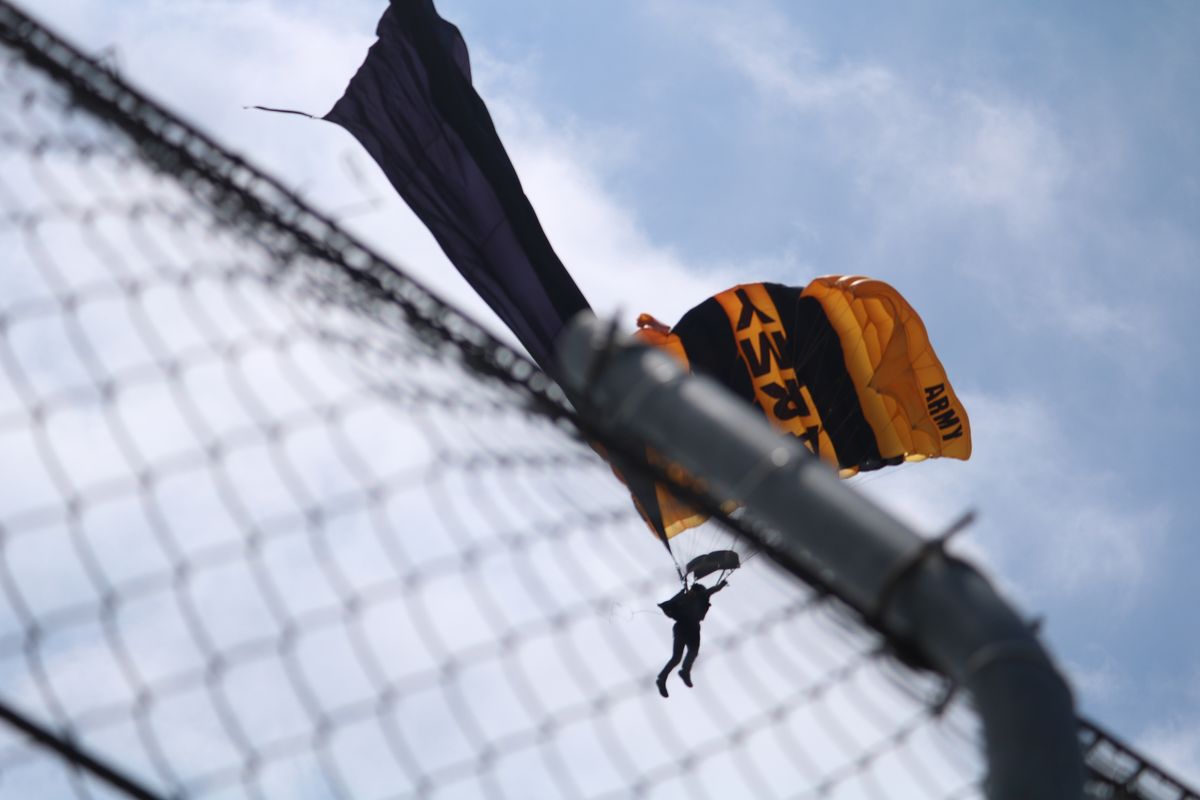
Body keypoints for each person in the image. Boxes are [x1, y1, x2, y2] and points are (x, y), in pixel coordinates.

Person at [656, 578, 727, 697]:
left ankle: (681, 672)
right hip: (685, 627)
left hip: (690, 628)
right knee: (683, 655)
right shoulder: (701, 596)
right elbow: (712, 590)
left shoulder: (688, 598)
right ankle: (668, 676)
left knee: (685, 655)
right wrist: (721, 585)